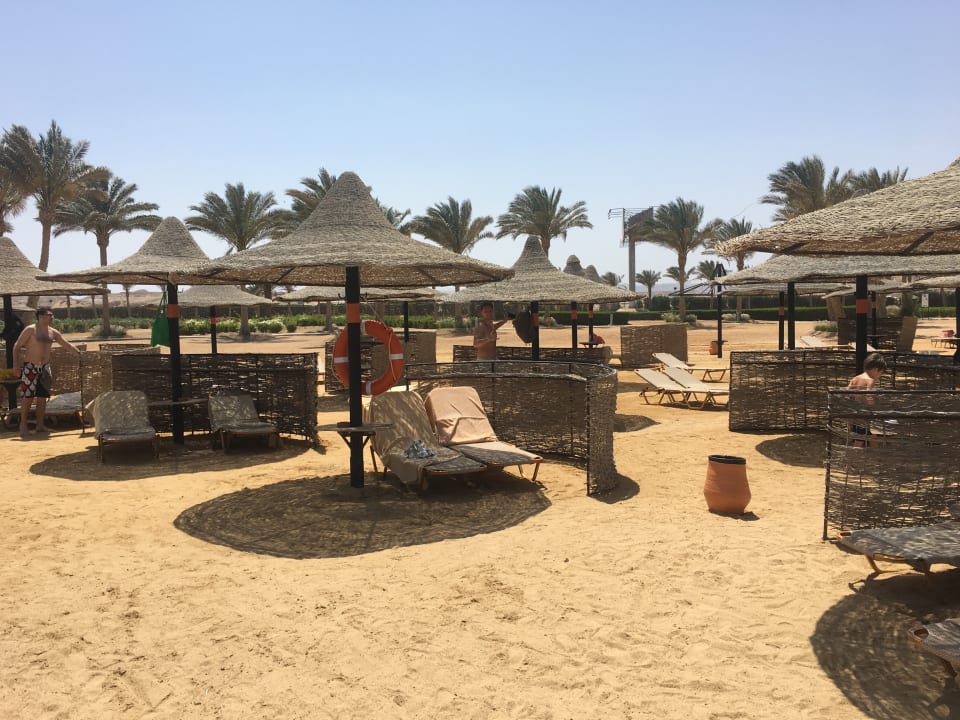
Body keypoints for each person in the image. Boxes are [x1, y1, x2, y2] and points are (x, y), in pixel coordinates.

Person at [12, 307, 81, 438]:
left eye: (49, 316)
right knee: (28, 396)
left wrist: (79, 353)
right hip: (30, 367)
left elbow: (66, 345)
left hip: (44, 367)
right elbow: (17, 346)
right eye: (44, 316)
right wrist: (16, 365)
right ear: (39, 317)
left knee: (42, 397)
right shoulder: (30, 329)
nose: (47, 318)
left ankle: (40, 425)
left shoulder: (53, 332)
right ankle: (23, 425)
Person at [846, 352, 886, 446]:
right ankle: (855, 453)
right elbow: (869, 395)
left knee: (872, 435)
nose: (879, 376)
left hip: (856, 412)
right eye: (881, 373)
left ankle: (874, 452)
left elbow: (847, 391)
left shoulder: (855, 378)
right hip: (865, 414)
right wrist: (874, 408)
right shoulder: (870, 380)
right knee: (860, 439)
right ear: (876, 370)